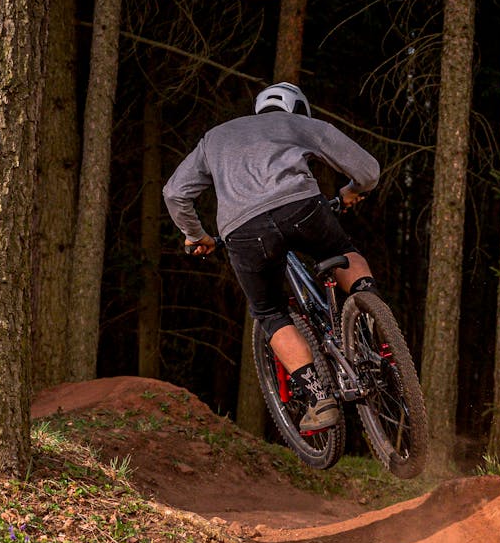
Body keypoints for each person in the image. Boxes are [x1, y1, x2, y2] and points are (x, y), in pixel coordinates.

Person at [163, 81, 381, 434]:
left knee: (270, 311)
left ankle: (317, 397)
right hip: (302, 208)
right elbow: (368, 170)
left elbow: (174, 193)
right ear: (299, 108)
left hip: (244, 232)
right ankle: (375, 324)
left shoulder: (215, 137)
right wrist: (353, 191)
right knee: (342, 251)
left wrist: (196, 235)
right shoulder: (297, 124)